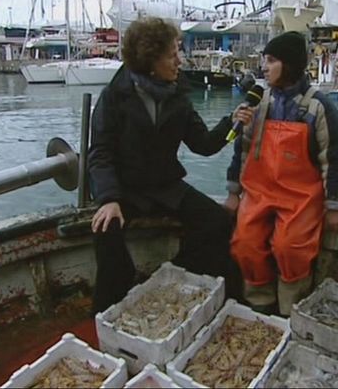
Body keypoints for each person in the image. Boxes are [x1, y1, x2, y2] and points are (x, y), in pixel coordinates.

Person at [88, 17, 255, 315]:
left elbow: (203, 144)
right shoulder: (114, 96)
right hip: (125, 189)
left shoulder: (178, 96)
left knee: (218, 222)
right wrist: (109, 199)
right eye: (171, 55)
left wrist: (230, 122)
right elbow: (100, 153)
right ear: (150, 61)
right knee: (106, 230)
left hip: (165, 185)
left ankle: (182, 277)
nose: (180, 61)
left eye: (178, 52)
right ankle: (107, 308)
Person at [224, 31, 338, 317]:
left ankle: (289, 312)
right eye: (264, 60)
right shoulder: (257, 103)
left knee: (289, 248)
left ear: (289, 64)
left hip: (300, 197)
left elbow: (333, 160)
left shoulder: (319, 107)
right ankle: (260, 306)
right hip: (258, 192)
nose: (263, 67)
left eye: (271, 60)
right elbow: (241, 151)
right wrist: (233, 192)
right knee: (245, 244)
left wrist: (334, 206)